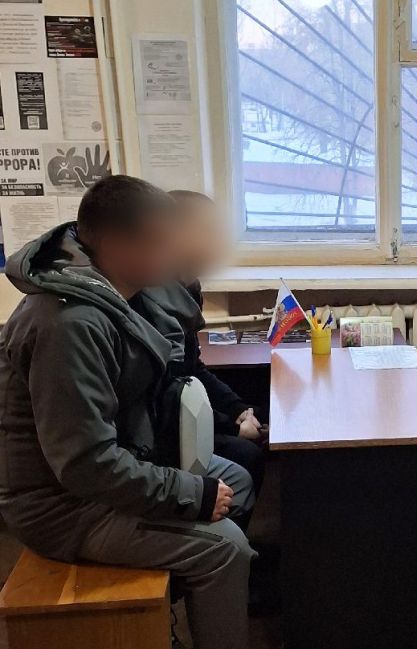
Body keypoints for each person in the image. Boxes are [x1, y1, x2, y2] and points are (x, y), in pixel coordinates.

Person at [0, 176, 256, 649]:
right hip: (64, 507)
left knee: (235, 480)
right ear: (118, 247)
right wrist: (189, 492)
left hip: (112, 472)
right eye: (164, 243)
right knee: (226, 548)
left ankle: (167, 606)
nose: (177, 255)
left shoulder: (124, 294)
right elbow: (85, 464)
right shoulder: (69, 324)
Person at [167, 189, 266, 499]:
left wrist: (238, 409)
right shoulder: (153, 296)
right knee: (247, 455)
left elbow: (193, 368)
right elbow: (169, 390)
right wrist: (233, 427)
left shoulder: (189, 287)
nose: (219, 242)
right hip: (167, 425)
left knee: (261, 413)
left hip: (186, 405)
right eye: (209, 231)